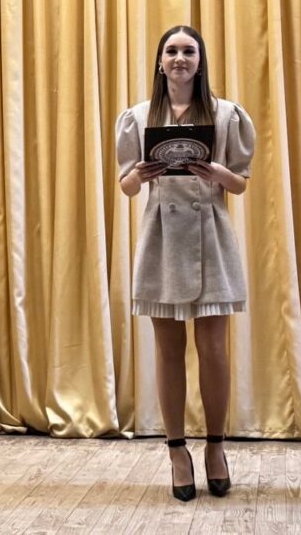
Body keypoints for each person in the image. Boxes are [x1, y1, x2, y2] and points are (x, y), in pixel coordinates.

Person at [115, 25, 255, 502]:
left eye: (188, 51)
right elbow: (126, 187)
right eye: (171, 51)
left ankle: (216, 447)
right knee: (167, 349)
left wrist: (217, 172)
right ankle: (177, 451)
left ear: (200, 61)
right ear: (160, 62)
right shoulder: (137, 117)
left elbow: (240, 184)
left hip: (211, 234)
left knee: (213, 349)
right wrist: (139, 174)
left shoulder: (226, 114)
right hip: (161, 236)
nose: (179, 58)